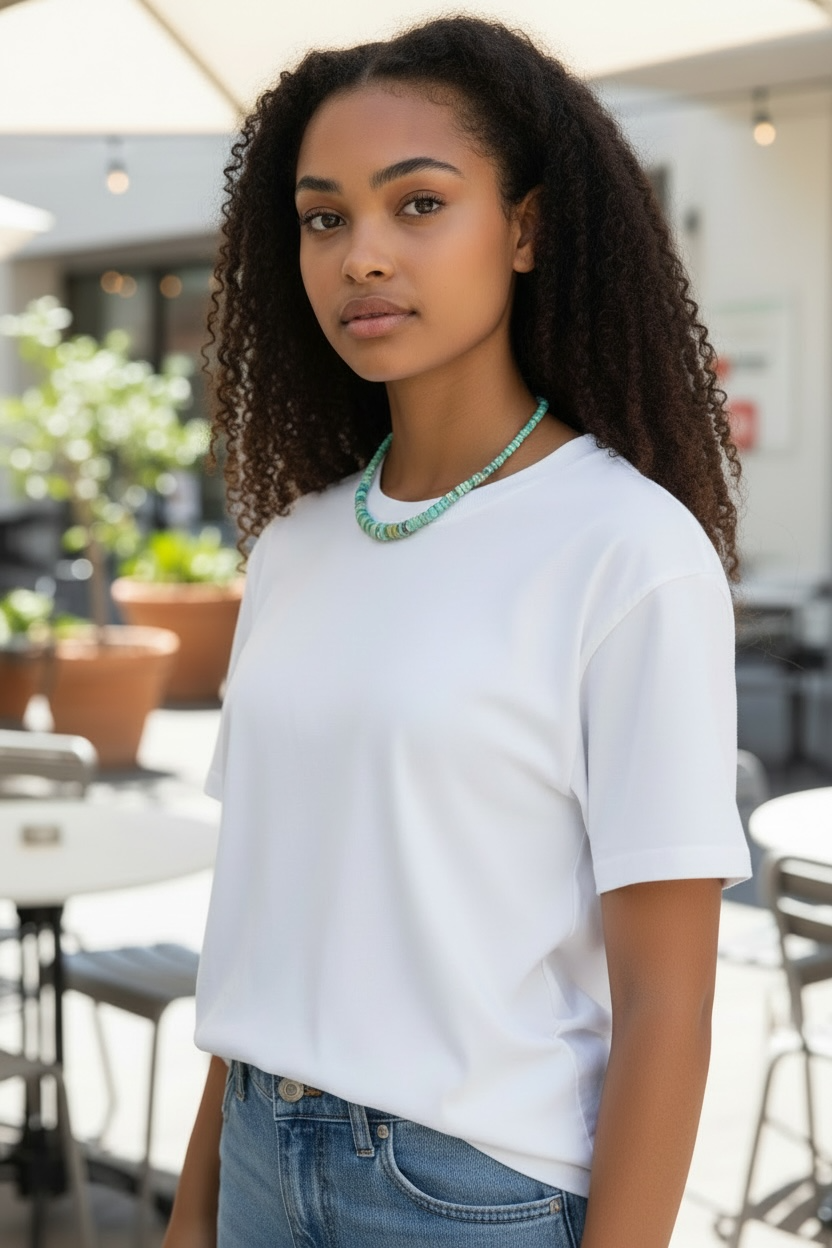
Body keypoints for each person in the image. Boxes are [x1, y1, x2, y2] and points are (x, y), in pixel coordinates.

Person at [163, 15, 752, 1248]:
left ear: (524, 229)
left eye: (418, 204)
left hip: (467, 1196)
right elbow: (264, 920)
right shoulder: (295, 547)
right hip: (259, 1160)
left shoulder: (626, 550)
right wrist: (194, 1208)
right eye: (324, 218)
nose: (362, 255)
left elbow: (667, 1002)